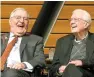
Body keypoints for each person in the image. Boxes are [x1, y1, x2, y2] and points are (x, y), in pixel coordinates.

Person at [1, 8, 45, 77]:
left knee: (10, 73)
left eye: (25, 19)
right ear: (10, 21)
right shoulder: (1, 38)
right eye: (18, 17)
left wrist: (23, 65)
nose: (21, 21)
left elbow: (40, 60)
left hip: (19, 73)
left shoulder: (36, 40)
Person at [49, 9, 94, 77]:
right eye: (71, 19)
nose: (72, 22)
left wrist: (82, 63)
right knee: (70, 68)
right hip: (65, 74)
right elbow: (54, 66)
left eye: (76, 19)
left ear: (86, 24)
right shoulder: (62, 41)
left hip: (88, 73)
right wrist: (59, 70)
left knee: (71, 67)